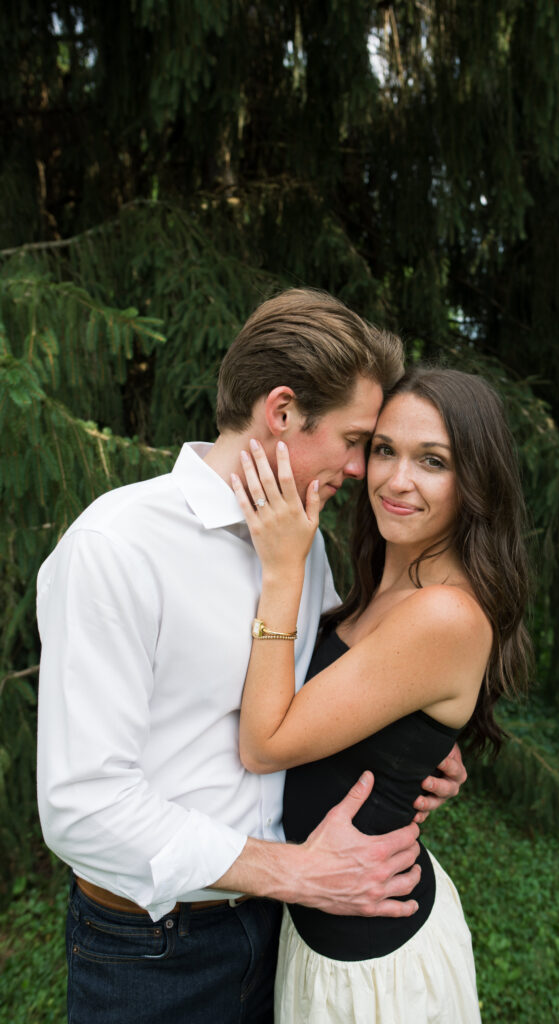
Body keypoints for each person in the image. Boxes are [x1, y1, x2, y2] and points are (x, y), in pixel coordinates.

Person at [36, 289, 467, 1024]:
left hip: (286, 932)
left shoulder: (302, 547)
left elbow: (310, 704)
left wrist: (408, 751)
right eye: (356, 439)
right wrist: (297, 873)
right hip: (154, 956)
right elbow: (82, 807)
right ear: (281, 412)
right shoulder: (118, 546)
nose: (364, 470)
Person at [231, 365, 532, 1024]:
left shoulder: (443, 614)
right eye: (384, 449)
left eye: (432, 461)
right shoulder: (385, 586)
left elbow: (264, 744)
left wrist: (283, 570)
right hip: (320, 929)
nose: (397, 480)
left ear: (475, 480)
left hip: (371, 968)